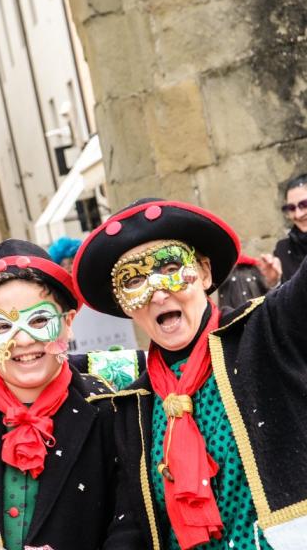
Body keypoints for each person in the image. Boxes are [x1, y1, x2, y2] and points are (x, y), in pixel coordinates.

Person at [71, 198, 307, 549]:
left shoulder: (265, 332)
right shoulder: (135, 405)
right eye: (134, 280)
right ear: (124, 303)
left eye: (170, 268)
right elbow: (132, 523)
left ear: (205, 273)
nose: (158, 293)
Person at [0, 239, 139, 549]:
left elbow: (130, 524)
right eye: (2, 327)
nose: (22, 340)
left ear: (68, 322)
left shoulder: (110, 410)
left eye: (39, 320)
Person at [258, 173, 307, 287]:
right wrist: (275, 281)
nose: (298, 214)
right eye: (291, 208)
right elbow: (285, 295)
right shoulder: (283, 249)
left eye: (304, 204)